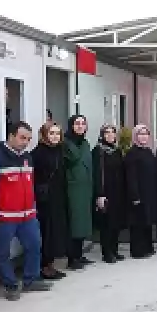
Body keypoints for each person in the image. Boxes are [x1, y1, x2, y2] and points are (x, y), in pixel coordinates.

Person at [0, 121, 53, 300]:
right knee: (2, 253)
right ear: (11, 136)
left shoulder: (27, 157)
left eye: (28, 139)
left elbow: (29, 185)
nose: (25, 142)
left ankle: (31, 279)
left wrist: (33, 208)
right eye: (22, 138)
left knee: (34, 245)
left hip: (27, 216)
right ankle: (10, 285)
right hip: (4, 218)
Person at [31, 122, 69, 280]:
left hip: (57, 196)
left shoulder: (59, 150)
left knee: (55, 231)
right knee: (46, 231)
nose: (55, 136)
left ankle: (50, 264)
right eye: (51, 133)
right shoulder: (39, 152)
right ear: (45, 135)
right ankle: (44, 266)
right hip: (44, 198)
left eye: (57, 133)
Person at [92, 124, 126, 263]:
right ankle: (107, 253)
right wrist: (99, 194)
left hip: (118, 191)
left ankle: (115, 249)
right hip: (105, 191)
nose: (110, 135)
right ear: (102, 135)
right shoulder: (98, 151)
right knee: (106, 224)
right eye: (107, 133)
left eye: (113, 132)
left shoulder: (117, 150)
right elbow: (97, 173)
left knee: (116, 222)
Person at [63, 115, 94, 270]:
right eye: (77, 123)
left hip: (85, 188)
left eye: (83, 123)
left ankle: (79, 254)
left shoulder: (86, 143)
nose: (80, 126)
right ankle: (72, 257)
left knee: (82, 223)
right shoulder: (66, 143)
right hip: (73, 188)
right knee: (74, 223)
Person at [124, 124, 157, 258]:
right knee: (138, 222)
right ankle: (137, 250)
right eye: (140, 134)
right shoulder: (132, 153)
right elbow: (130, 177)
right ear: (135, 136)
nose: (143, 137)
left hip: (149, 192)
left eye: (145, 134)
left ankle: (148, 247)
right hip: (138, 193)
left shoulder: (148, 151)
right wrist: (135, 195)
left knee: (147, 221)